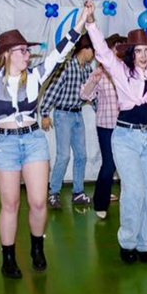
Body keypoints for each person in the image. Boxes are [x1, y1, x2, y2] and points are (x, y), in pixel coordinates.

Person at [0, 1, 88, 278]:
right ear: (7, 54)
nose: (28, 54)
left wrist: (82, 21)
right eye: (23, 50)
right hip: (5, 145)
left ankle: (37, 248)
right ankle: (8, 257)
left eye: (28, 50)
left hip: (34, 140)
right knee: (11, 204)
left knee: (38, 202)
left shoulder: (36, 75)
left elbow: (61, 51)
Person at [85, 0, 147, 264]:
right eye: (138, 51)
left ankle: (146, 244)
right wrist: (91, 23)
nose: (143, 55)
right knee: (134, 190)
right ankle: (127, 242)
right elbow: (103, 53)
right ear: (130, 54)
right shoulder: (120, 71)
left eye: (146, 50)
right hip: (125, 137)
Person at [40, 34, 95, 209]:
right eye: (93, 50)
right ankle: (54, 193)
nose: (94, 55)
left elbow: (92, 95)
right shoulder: (66, 67)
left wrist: (101, 111)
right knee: (63, 156)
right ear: (85, 49)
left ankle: (78, 192)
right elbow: (52, 90)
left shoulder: (88, 70)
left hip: (78, 115)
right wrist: (45, 113)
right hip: (63, 115)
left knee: (82, 155)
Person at [79, 34, 123, 220]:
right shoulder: (100, 73)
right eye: (116, 48)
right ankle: (100, 202)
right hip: (106, 125)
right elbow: (84, 95)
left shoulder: (127, 71)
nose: (118, 52)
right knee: (109, 164)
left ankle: (130, 203)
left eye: (122, 49)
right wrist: (93, 81)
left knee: (127, 165)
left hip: (126, 126)